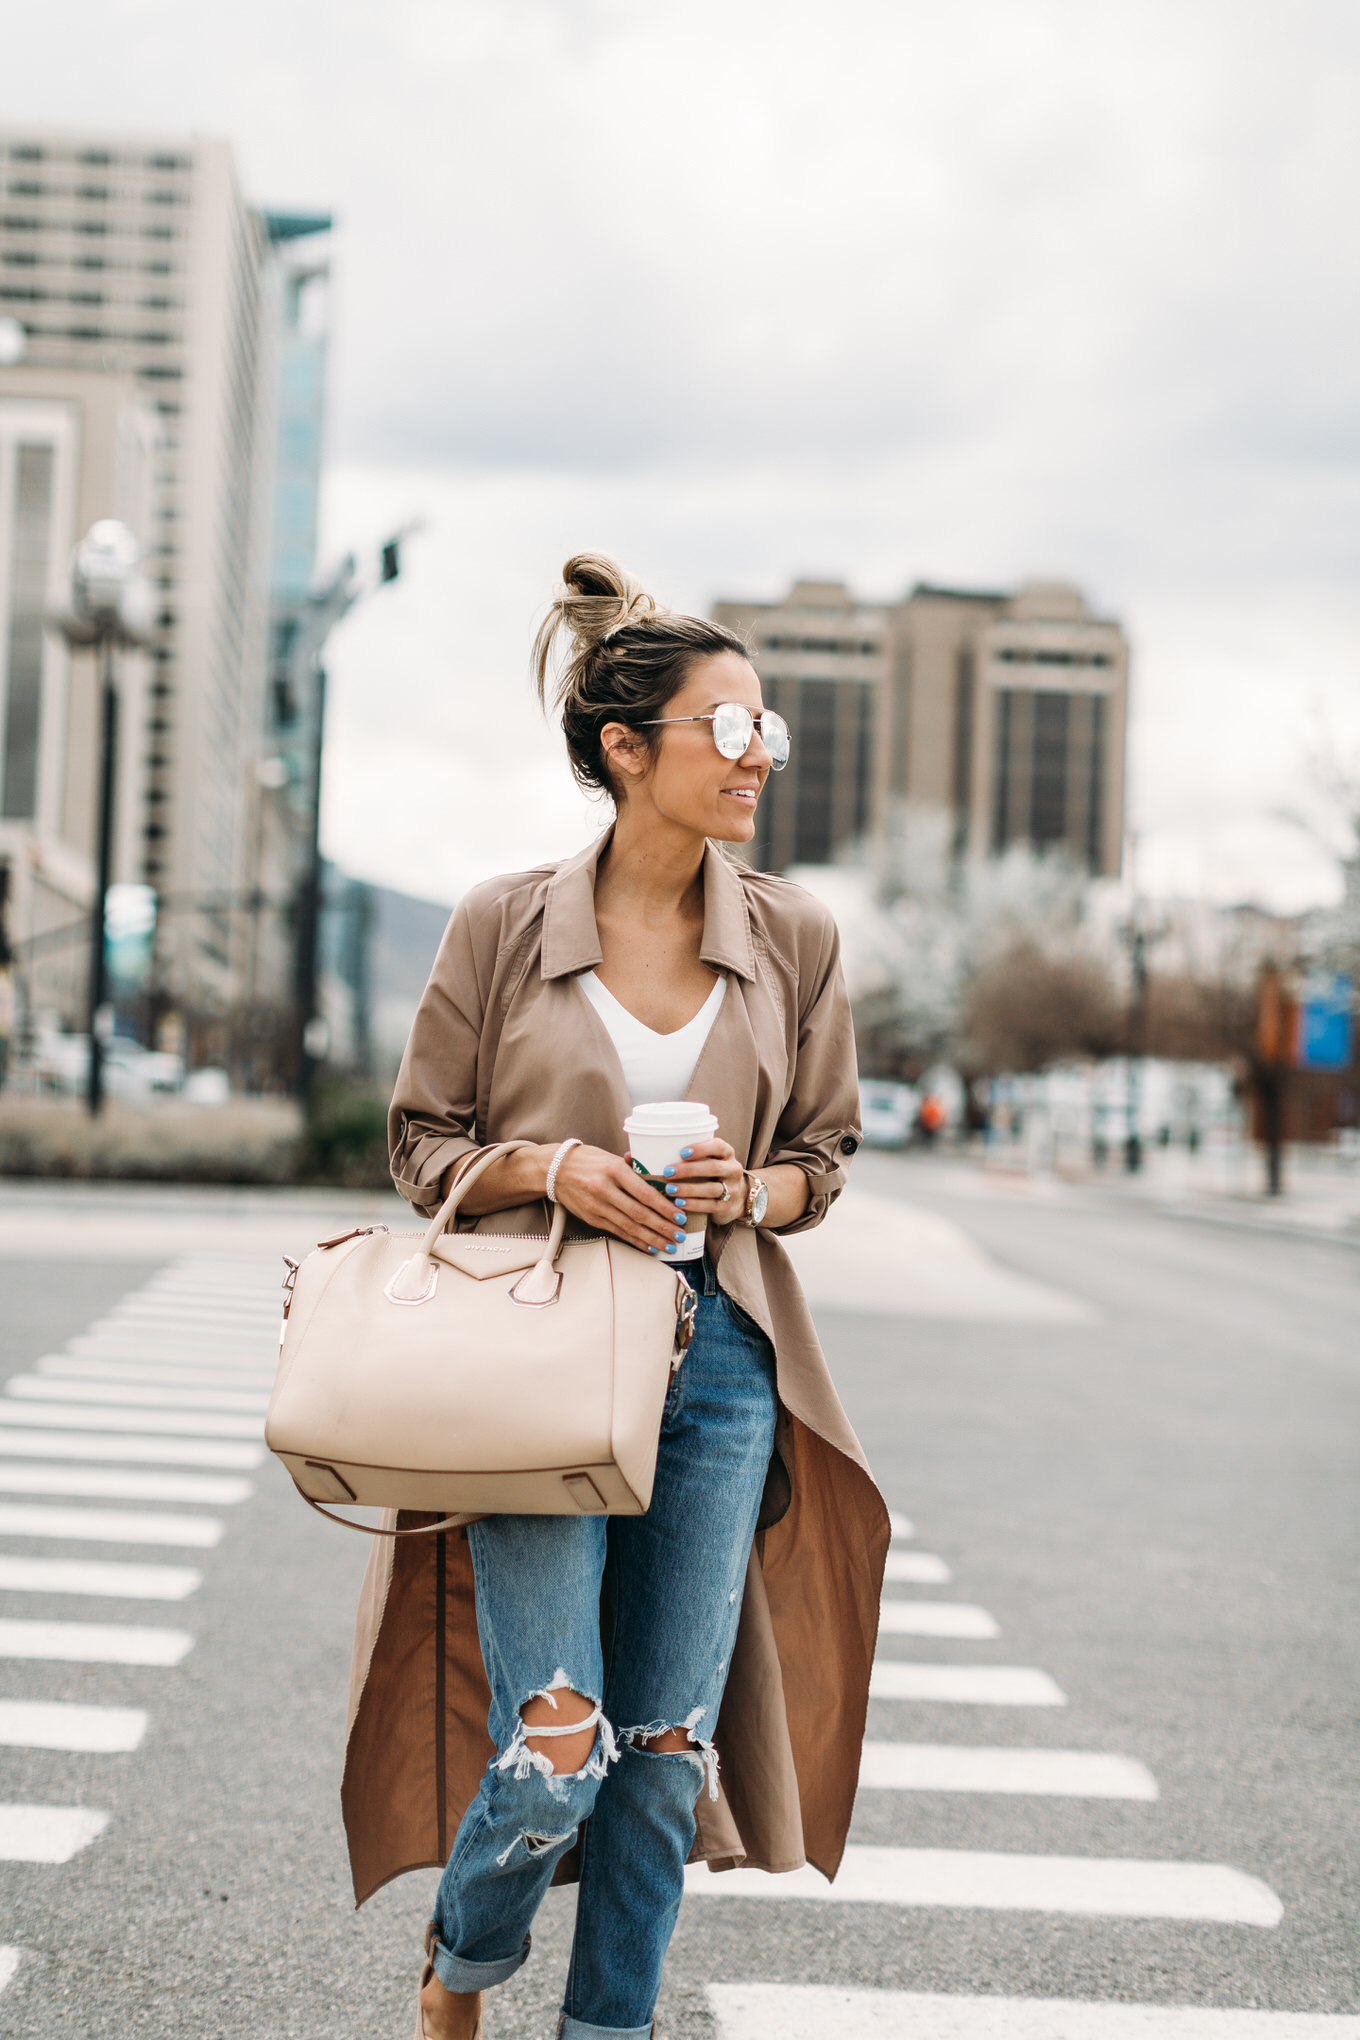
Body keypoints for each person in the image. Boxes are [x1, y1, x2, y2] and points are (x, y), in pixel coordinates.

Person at [343, 555, 889, 2040]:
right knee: (561, 1745)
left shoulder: (794, 937)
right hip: (541, 1365)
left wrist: (748, 1193)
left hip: (720, 1373)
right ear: (626, 750)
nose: (759, 755)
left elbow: (824, 1158)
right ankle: (463, 1966)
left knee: (658, 1756)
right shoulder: (502, 922)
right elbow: (420, 1143)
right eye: (731, 726)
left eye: (768, 728)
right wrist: (551, 1169)